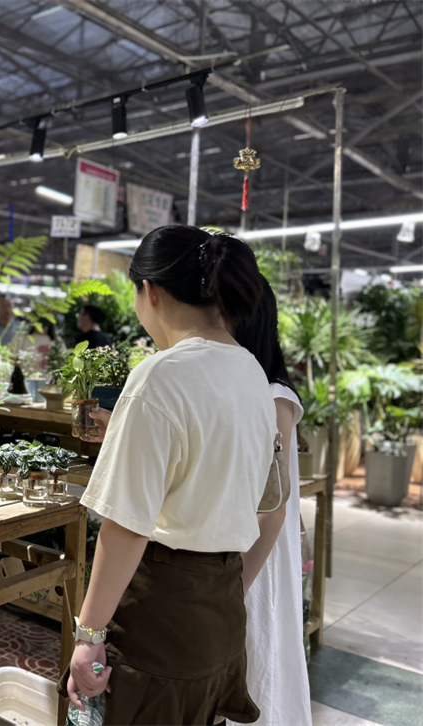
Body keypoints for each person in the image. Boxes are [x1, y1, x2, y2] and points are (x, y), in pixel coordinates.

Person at [67, 225, 278, 726]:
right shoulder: (252, 372)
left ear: (151, 292)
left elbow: (128, 525)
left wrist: (89, 635)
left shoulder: (159, 375)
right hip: (222, 612)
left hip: (159, 615)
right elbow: (250, 490)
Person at [231, 280, 313, 726]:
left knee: (257, 657)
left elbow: (273, 506)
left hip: (256, 556)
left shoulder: (274, 395)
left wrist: (235, 586)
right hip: (242, 546)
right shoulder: (245, 389)